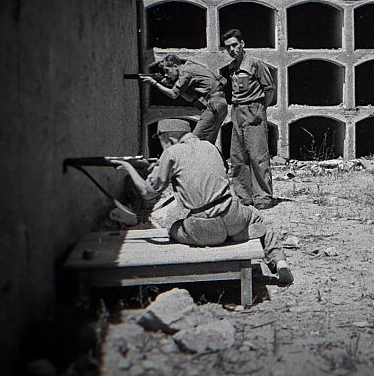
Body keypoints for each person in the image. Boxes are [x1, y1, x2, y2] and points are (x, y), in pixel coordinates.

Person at [112, 118, 293, 286]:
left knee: (174, 227)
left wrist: (129, 167)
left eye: (159, 138)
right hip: (233, 214)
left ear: (168, 137)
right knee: (259, 222)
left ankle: (218, 237)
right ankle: (280, 264)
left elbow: (147, 192)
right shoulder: (209, 146)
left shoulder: (171, 153)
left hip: (204, 226)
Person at [219, 29, 277, 210]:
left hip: (254, 109)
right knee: (237, 156)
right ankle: (244, 196)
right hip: (237, 111)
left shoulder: (255, 64)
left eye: (235, 45)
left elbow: (269, 89)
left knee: (258, 155)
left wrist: (260, 109)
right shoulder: (231, 68)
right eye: (228, 47)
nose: (232, 50)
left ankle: (263, 197)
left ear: (242, 44)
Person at [141, 55, 228, 143]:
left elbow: (173, 94)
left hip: (214, 104)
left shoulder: (184, 72)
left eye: (167, 70)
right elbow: (189, 98)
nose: (166, 75)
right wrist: (172, 85)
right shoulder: (188, 69)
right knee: (208, 143)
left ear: (175, 66)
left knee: (195, 141)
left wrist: (154, 83)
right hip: (218, 103)